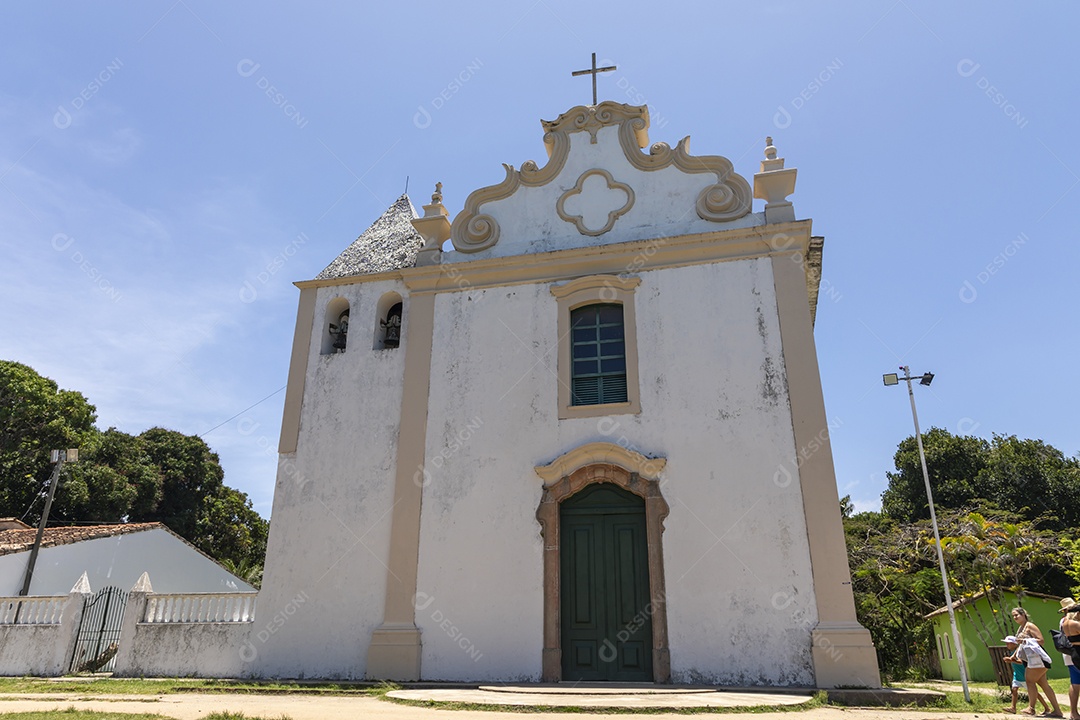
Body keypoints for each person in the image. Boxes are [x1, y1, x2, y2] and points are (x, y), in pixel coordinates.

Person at [1010, 607, 1063, 717]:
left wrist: (1024, 640)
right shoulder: (1021, 628)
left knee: (1029, 681)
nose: (1015, 617)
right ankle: (1057, 710)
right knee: (1044, 685)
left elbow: (1041, 641)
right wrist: (1014, 656)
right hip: (1030, 660)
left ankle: (1031, 708)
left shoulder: (1030, 626)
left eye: (1017, 615)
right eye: (1013, 616)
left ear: (1023, 614)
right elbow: (1020, 645)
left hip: (1037, 660)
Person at [1004, 635, 1052, 715]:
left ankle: (1046, 707)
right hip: (1017, 675)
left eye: (1009, 643)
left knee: (1035, 693)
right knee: (1014, 690)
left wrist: (1011, 661)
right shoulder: (1012, 652)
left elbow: (1021, 662)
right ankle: (1013, 707)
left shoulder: (1019, 651)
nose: (1007, 645)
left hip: (1023, 675)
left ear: (1014, 644)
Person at [1059, 597, 1080, 720]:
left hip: (1070, 654)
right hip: (1076, 652)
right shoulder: (1075, 623)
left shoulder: (1063, 622)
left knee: (1075, 682)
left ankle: (1073, 712)